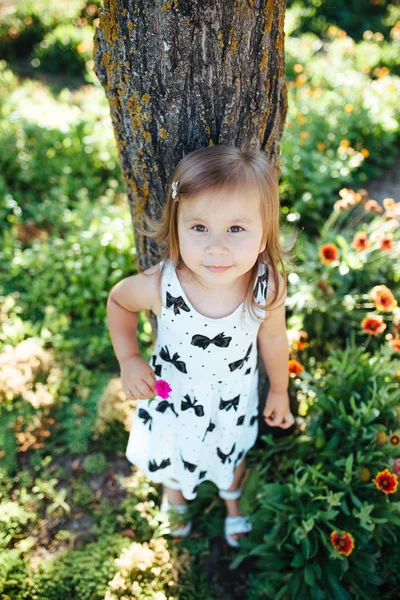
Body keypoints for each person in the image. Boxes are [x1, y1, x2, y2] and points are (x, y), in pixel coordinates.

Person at [107, 145, 296, 548]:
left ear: (264, 234)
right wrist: (129, 358)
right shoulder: (163, 284)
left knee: (232, 449)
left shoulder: (266, 285)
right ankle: (174, 494)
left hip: (232, 396)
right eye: (199, 228)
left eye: (236, 229)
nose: (216, 247)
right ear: (177, 227)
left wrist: (278, 389)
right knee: (175, 448)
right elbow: (120, 301)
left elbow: (274, 338)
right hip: (173, 394)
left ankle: (232, 498)